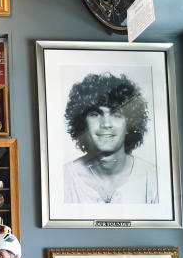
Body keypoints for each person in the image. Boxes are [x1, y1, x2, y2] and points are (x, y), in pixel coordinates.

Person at [62, 72, 158, 205]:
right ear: (83, 122)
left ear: (130, 124)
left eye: (117, 114)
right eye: (95, 114)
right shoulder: (64, 179)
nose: (106, 124)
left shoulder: (153, 178)